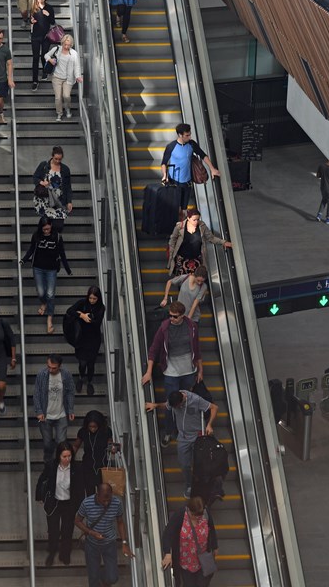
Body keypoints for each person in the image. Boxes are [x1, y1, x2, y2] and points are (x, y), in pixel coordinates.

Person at [141, 301, 203, 448]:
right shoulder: (164, 328)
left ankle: (185, 431)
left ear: (182, 316)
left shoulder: (191, 327)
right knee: (171, 403)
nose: (171, 319)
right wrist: (149, 371)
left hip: (189, 371)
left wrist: (200, 370)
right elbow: (154, 349)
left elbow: (197, 349)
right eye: (170, 316)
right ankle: (169, 431)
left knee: (186, 403)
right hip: (171, 372)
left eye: (175, 317)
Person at [146, 389, 218, 497]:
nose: (176, 409)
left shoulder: (196, 400)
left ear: (182, 401)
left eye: (177, 406)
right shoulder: (174, 400)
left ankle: (203, 485)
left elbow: (214, 407)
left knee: (201, 463)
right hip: (183, 437)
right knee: (184, 465)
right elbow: (166, 405)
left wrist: (209, 425)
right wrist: (155, 405)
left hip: (197, 436)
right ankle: (189, 485)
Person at [75, 483, 134, 587]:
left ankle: (102, 579)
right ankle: (97, 578)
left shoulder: (116, 503)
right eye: (103, 500)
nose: (106, 503)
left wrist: (124, 542)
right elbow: (77, 521)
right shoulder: (87, 503)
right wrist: (91, 533)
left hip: (109, 544)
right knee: (93, 578)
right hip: (92, 545)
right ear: (98, 494)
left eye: (108, 499)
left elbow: (120, 522)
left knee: (113, 578)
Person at [36, 441, 84, 567]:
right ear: (59, 456)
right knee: (53, 530)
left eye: (69, 456)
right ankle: (52, 552)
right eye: (64, 456)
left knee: (67, 531)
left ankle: (65, 553)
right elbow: (42, 479)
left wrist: (80, 506)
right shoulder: (51, 466)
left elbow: (80, 488)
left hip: (69, 504)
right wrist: (39, 496)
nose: (67, 459)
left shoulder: (77, 468)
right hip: (54, 502)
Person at [22, 216, 70, 334]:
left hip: (51, 269)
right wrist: (24, 260)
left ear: (51, 227)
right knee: (41, 292)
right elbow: (31, 249)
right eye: (44, 229)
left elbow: (62, 253)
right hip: (38, 267)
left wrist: (67, 268)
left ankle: (50, 319)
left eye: (48, 229)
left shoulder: (57, 237)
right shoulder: (36, 236)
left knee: (50, 294)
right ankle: (44, 303)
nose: (46, 231)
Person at [161, 123, 221, 213]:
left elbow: (203, 155)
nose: (189, 137)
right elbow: (164, 163)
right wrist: (164, 175)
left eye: (190, 134)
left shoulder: (191, 144)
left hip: (187, 182)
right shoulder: (171, 147)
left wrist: (212, 169)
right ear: (180, 135)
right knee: (175, 207)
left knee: (184, 208)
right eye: (187, 135)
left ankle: (183, 222)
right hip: (174, 182)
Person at [160, 495, 218, 586]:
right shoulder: (180, 515)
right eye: (194, 515)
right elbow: (167, 533)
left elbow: (212, 529)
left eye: (199, 516)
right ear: (189, 510)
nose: (196, 518)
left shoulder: (205, 513)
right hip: (185, 562)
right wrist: (167, 553)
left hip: (202, 560)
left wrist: (215, 546)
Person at [34, 354, 76, 463]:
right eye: (49, 367)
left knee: (61, 443)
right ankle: (48, 462)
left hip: (61, 414)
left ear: (60, 366)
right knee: (47, 443)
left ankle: (59, 463)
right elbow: (37, 394)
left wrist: (70, 409)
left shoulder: (66, 375)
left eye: (54, 368)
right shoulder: (42, 375)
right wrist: (39, 411)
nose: (51, 370)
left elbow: (70, 392)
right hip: (46, 415)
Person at [167, 209, 232, 278]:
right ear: (188, 218)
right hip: (182, 259)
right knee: (183, 280)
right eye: (194, 220)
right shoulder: (180, 226)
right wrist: (171, 253)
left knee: (196, 280)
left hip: (196, 260)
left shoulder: (202, 226)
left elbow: (211, 238)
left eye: (198, 219)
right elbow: (172, 239)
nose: (196, 222)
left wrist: (223, 242)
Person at [65, 287, 105, 396]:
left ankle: (90, 381)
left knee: (91, 364)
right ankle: (81, 378)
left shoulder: (101, 307)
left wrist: (89, 318)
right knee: (82, 363)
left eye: (94, 298)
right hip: (81, 339)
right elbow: (69, 311)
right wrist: (81, 315)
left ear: (98, 298)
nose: (92, 300)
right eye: (90, 298)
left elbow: (97, 323)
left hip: (93, 340)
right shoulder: (82, 303)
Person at [74, 410, 113, 497]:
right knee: (89, 491)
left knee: (103, 491)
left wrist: (112, 448)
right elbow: (76, 446)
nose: (92, 429)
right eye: (90, 427)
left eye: (95, 427)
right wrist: (71, 456)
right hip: (87, 465)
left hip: (102, 465)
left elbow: (110, 444)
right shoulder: (83, 432)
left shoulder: (106, 431)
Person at [45, 33, 83, 122]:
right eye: (65, 44)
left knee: (66, 96)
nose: (66, 47)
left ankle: (68, 108)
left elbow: (76, 66)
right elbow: (46, 55)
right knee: (58, 97)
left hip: (68, 78)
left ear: (71, 45)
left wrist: (78, 76)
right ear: (62, 43)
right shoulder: (57, 49)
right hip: (56, 77)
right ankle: (59, 113)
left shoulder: (74, 54)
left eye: (68, 45)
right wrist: (50, 60)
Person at [33, 145, 73, 226]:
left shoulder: (65, 169)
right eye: (56, 159)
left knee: (59, 225)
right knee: (46, 224)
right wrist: (42, 182)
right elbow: (35, 177)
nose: (58, 161)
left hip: (59, 200)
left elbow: (68, 186)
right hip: (46, 200)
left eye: (60, 159)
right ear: (52, 156)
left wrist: (69, 202)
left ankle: (56, 237)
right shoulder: (44, 165)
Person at [30, 0, 55, 90]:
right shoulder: (33, 7)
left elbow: (53, 22)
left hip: (46, 37)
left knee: (44, 55)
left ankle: (45, 71)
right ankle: (35, 80)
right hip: (35, 36)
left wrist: (48, 15)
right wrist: (31, 21)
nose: (41, 1)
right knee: (35, 58)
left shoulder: (49, 8)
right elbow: (30, 20)